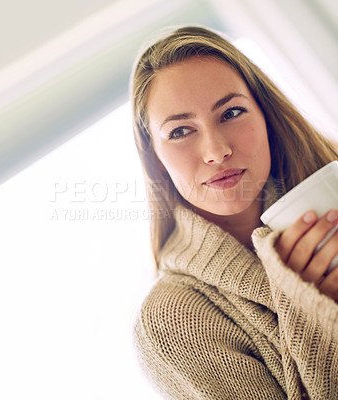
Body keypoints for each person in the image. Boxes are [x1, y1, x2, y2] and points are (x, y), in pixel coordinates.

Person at [130, 25, 338, 399]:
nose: (216, 150)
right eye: (179, 132)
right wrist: (316, 313)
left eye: (232, 112)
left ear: (266, 116)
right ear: (155, 160)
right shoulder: (172, 321)